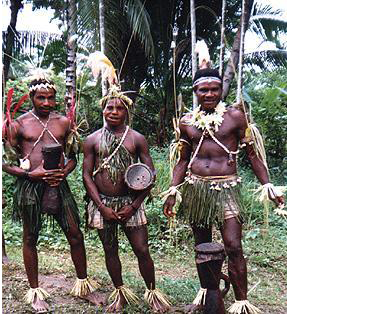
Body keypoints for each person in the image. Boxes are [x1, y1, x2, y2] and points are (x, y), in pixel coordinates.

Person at [161, 43, 284, 314]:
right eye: (203, 90)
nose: (209, 94)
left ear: (221, 90)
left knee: (233, 245)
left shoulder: (236, 117)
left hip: (227, 188)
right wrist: (173, 190)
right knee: (202, 245)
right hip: (196, 189)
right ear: (195, 92)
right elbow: (183, 160)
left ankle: (241, 302)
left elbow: (252, 155)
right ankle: (208, 294)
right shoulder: (186, 122)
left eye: (214, 89)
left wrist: (268, 185)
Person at [2, 72, 101, 313]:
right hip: (30, 186)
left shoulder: (64, 122)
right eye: (41, 98)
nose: (46, 103)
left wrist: (63, 173)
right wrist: (28, 174)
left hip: (59, 185)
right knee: (30, 237)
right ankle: (36, 293)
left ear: (56, 98)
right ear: (32, 97)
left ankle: (83, 286)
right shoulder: (18, 124)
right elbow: (4, 162)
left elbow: (73, 158)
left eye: (50, 98)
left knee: (75, 234)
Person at [82, 52, 171, 313]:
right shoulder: (92, 140)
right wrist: (101, 206)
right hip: (104, 204)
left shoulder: (137, 139)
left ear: (126, 111)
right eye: (110, 107)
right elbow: (87, 175)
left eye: (119, 108)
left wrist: (134, 206)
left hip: (131, 203)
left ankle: (153, 294)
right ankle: (119, 293)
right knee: (110, 250)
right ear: (103, 109)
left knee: (142, 249)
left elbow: (150, 176)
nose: (114, 112)